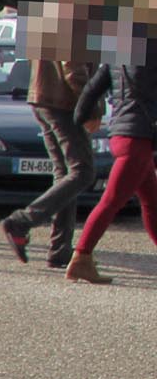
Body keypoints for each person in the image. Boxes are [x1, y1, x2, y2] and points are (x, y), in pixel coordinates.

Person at [64, 59, 157, 282]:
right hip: (138, 138)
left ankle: (82, 257)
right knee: (111, 201)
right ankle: (81, 256)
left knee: (152, 203)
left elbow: (92, 88)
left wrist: (80, 118)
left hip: (121, 133)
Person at [0, 57, 97, 269]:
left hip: (44, 96)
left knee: (65, 174)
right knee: (83, 172)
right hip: (62, 100)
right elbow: (72, 63)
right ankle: (20, 222)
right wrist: (90, 107)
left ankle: (60, 250)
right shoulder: (72, 21)